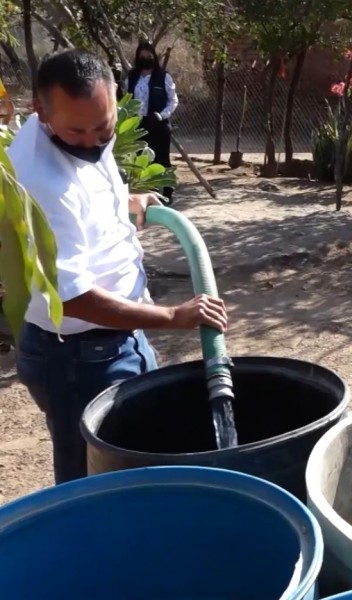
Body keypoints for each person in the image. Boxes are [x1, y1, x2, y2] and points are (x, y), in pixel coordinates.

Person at [8, 48, 227, 485]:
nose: (92, 141)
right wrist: (172, 316)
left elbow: (87, 189)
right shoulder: (42, 182)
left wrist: (126, 202)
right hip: (76, 357)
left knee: (142, 451)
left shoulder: (74, 127)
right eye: (78, 132)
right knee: (91, 480)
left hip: (116, 339)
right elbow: (71, 298)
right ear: (40, 110)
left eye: (104, 128)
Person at [125, 41, 179, 203]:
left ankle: (168, 192)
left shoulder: (163, 76)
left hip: (158, 124)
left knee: (162, 158)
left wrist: (162, 115)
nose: (146, 59)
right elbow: (127, 98)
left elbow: (173, 101)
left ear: (154, 57)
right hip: (138, 124)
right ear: (137, 57)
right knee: (143, 158)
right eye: (142, 56)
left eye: (149, 56)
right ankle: (150, 192)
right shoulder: (132, 77)